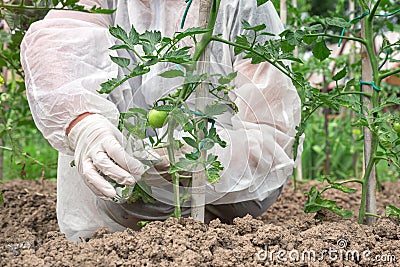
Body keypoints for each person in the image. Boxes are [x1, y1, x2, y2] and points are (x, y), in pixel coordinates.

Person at [20, 0, 302, 241]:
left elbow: (272, 134)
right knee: (99, 235)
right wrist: (84, 123)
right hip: (109, 223)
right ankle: (99, 239)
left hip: (222, 221)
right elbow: (57, 42)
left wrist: (207, 157)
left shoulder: (239, 6)